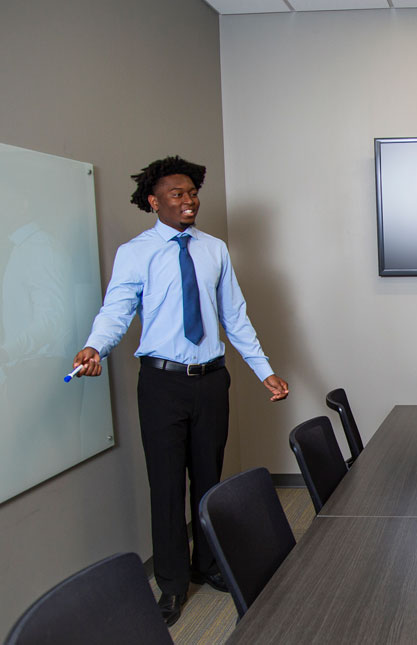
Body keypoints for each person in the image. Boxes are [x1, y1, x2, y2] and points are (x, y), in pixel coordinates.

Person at [71, 156, 289, 626]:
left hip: (211, 381)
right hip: (162, 383)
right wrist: (95, 346)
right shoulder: (136, 252)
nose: (189, 200)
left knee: (208, 477)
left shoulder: (215, 250)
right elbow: (117, 311)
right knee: (167, 485)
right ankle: (171, 584)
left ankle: (206, 564)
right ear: (154, 201)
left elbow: (235, 316)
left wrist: (263, 370)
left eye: (192, 193)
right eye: (177, 194)